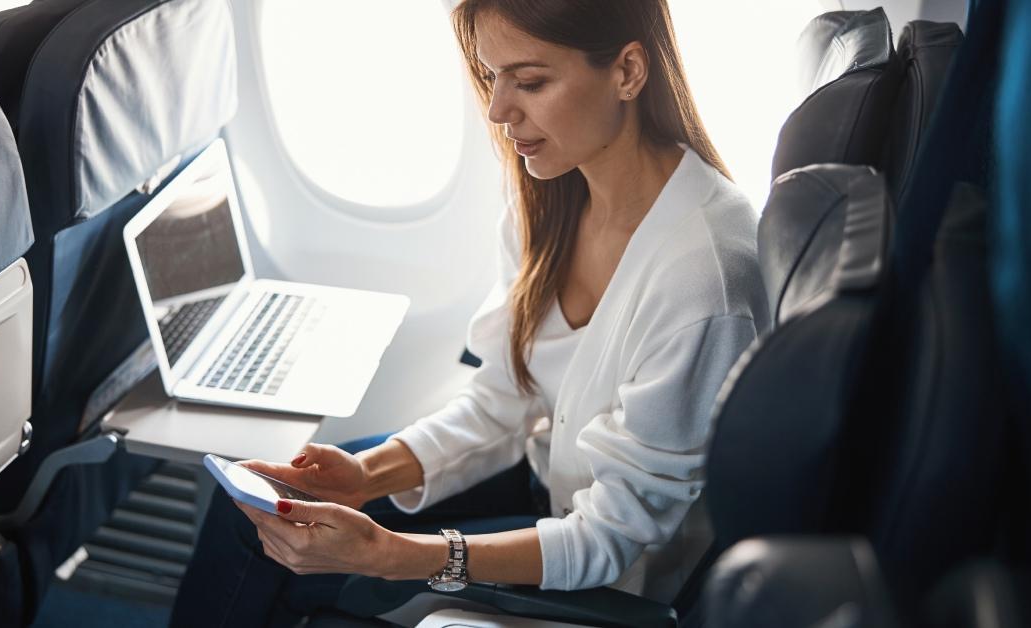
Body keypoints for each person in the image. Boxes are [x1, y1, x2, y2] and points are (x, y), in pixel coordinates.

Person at [171, 0, 769, 624]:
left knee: (319, 581)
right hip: (546, 476)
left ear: (626, 72)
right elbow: (501, 401)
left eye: (531, 82)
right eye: (492, 77)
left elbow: (612, 537)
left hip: (615, 572)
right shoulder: (554, 193)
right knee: (259, 510)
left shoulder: (706, 277)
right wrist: (365, 476)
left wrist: (392, 554)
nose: (498, 110)